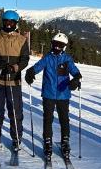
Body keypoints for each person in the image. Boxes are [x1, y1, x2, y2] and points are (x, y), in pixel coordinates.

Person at [26, 33, 83, 162]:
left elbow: (75, 71)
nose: (57, 47)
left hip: (63, 94)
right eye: (55, 44)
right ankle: (48, 142)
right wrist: (31, 71)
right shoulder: (47, 58)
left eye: (60, 45)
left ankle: (65, 142)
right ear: (52, 44)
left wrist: (76, 78)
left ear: (64, 47)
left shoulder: (67, 59)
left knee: (64, 119)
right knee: (48, 119)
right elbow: (38, 66)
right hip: (49, 94)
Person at [0, 9, 29, 151]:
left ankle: (16, 138)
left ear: (16, 23)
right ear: (3, 22)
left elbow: (25, 59)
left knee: (15, 111)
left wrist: (15, 67)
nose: (8, 24)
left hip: (13, 81)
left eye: (11, 22)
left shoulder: (22, 40)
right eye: (6, 21)